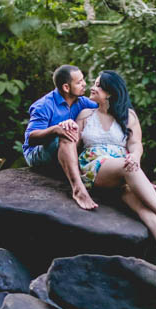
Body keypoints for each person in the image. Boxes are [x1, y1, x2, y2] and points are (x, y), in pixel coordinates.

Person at [76, 70, 156, 265]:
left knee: (142, 205)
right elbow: (72, 145)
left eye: (98, 85)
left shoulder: (128, 116)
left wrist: (134, 156)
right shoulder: (85, 114)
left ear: (110, 93)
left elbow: (136, 144)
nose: (92, 87)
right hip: (95, 167)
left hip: (124, 169)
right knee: (129, 168)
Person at [23, 65, 98, 210]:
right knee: (66, 133)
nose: (84, 84)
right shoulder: (44, 105)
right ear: (66, 87)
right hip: (38, 153)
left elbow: (104, 110)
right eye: (79, 82)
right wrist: (55, 130)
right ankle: (78, 190)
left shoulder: (82, 102)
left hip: (67, 151)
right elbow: (31, 138)